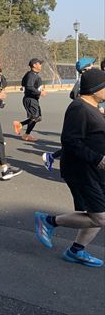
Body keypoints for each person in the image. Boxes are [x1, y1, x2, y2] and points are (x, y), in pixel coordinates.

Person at [34, 69, 105, 267]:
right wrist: (98, 158)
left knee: (97, 213)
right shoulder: (79, 108)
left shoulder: (93, 108)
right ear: (95, 89)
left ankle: (76, 251)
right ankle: (48, 221)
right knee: (100, 218)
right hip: (82, 171)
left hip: (96, 171)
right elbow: (70, 141)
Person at [42, 57, 96, 171]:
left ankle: (51, 156)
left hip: (88, 113)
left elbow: (72, 95)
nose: (93, 67)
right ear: (84, 70)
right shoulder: (84, 81)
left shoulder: (84, 80)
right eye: (91, 66)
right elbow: (76, 96)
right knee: (79, 142)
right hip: (86, 114)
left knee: (82, 142)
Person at [13, 58, 47, 141]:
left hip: (33, 99)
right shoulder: (31, 75)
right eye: (39, 63)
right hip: (30, 99)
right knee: (35, 117)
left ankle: (20, 125)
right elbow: (29, 87)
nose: (41, 65)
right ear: (34, 65)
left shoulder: (32, 74)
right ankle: (25, 134)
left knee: (38, 118)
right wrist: (40, 92)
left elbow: (24, 85)